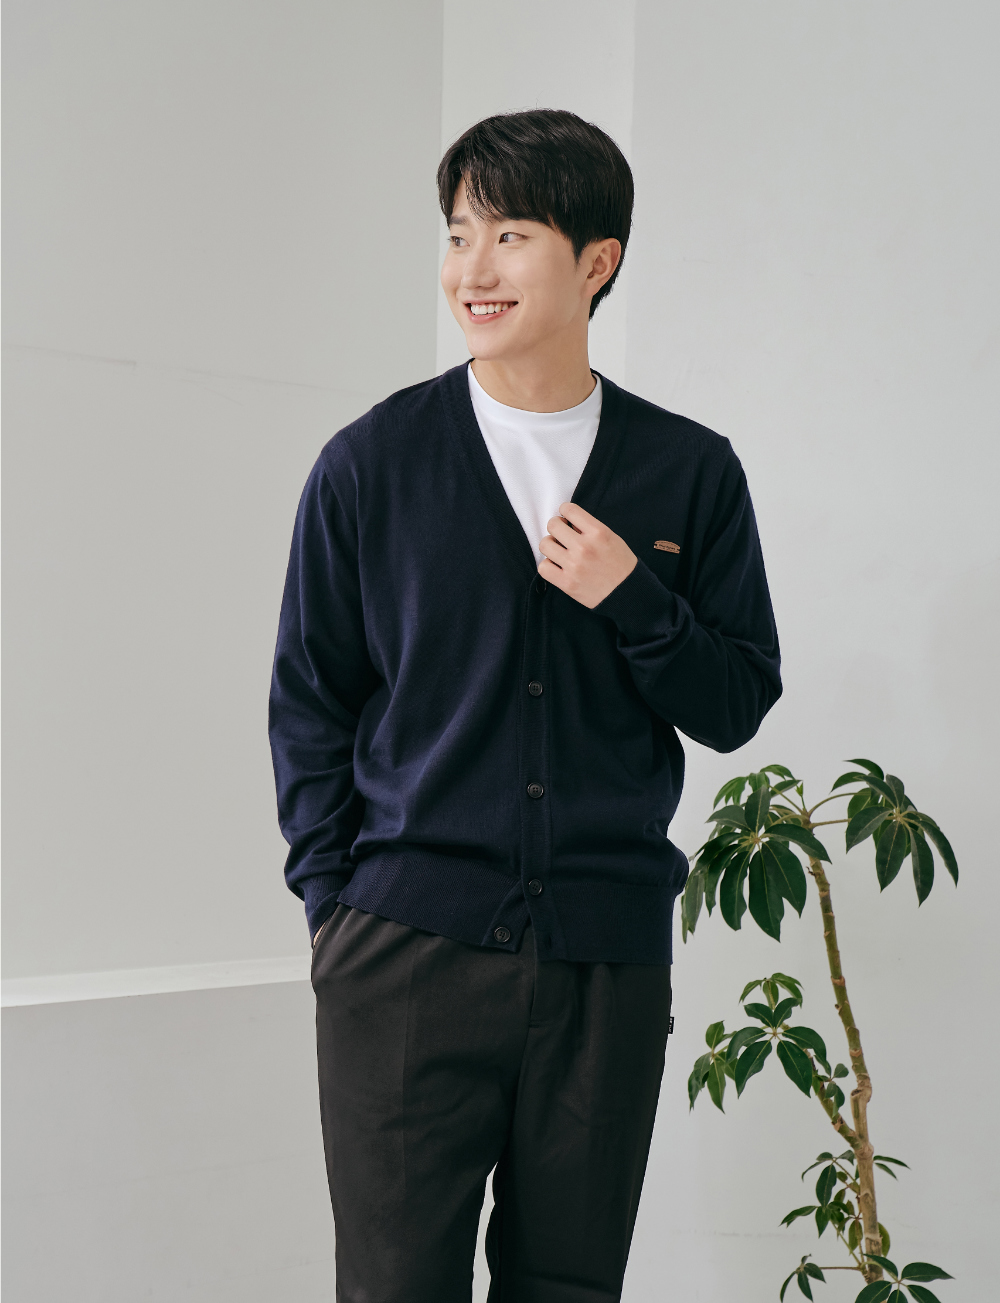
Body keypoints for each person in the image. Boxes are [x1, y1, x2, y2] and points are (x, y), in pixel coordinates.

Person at [268, 108, 781, 1303]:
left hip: (605, 960)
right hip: (403, 954)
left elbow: (736, 699)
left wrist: (636, 600)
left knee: (569, 1286)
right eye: (459, 235)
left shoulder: (690, 470)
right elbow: (311, 699)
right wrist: (335, 909)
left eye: (510, 235)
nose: (473, 269)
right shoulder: (371, 463)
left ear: (596, 261)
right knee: (395, 1286)